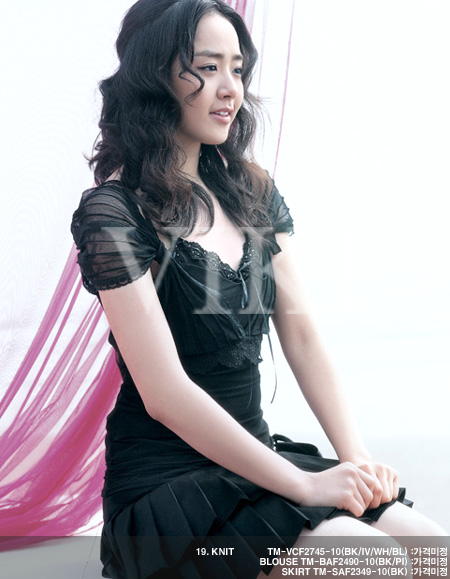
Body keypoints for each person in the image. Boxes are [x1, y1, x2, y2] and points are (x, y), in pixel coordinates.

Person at [71, 0, 448, 577]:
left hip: (256, 460)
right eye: (208, 67)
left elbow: (302, 335)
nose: (231, 89)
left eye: (238, 68)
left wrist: (357, 461)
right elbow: (164, 393)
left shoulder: (251, 190)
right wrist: (305, 484)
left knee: (431, 549)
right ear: (155, 74)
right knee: (362, 556)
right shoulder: (115, 213)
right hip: (168, 492)